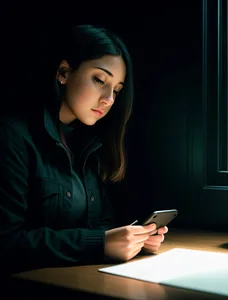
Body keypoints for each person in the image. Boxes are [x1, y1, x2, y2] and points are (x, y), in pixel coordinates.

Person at [0, 24, 168, 273]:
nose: (109, 99)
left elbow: (102, 224)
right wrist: (100, 243)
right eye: (100, 80)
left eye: (117, 91)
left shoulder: (89, 144)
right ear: (64, 72)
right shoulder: (13, 136)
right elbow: (7, 243)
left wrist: (132, 240)